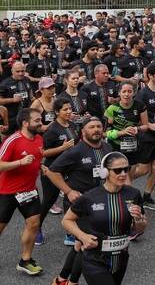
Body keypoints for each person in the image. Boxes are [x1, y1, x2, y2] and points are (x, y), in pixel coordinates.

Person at [62, 151, 148, 285]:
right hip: (94, 260)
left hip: (121, 258)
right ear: (105, 172)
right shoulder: (90, 197)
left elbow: (139, 228)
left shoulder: (134, 194)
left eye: (126, 169)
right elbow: (66, 220)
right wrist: (83, 237)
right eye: (118, 170)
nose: (124, 174)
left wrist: (139, 221)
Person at [47, 116, 112, 285]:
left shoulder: (107, 147)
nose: (96, 129)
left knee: (80, 244)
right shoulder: (75, 151)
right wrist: (68, 191)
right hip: (80, 205)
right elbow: (52, 171)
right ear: (83, 131)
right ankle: (71, 281)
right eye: (91, 127)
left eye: (99, 126)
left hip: (101, 202)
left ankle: (62, 280)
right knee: (90, 242)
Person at [0, 108, 44, 276]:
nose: (40, 123)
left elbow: (35, 159)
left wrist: (41, 166)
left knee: (33, 224)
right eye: (37, 120)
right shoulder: (13, 140)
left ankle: (25, 260)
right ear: (26, 123)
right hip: (7, 192)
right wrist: (19, 162)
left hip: (29, 191)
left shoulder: (39, 139)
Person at [36, 97, 77, 245]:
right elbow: (43, 153)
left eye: (70, 109)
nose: (68, 112)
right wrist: (62, 148)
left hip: (70, 170)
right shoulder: (52, 129)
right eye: (65, 109)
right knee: (48, 201)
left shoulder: (72, 125)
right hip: (52, 171)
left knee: (70, 199)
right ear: (57, 112)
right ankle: (37, 227)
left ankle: (70, 233)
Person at [132, 63, 155, 211]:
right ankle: (118, 181)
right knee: (143, 169)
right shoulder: (143, 94)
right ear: (150, 76)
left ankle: (147, 197)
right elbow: (137, 117)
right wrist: (149, 125)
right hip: (146, 137)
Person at [104, 82, 148, 171]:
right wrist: (122, 132)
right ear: (119, 93)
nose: (126, 94)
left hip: (133, 145)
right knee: (118, 174)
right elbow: (104, 133)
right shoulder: (112, 108)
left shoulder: (140, 106)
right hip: (115, 146)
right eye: (124, 91)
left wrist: (137, 129)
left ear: (134, 93)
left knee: (130, 174)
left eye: (129, 91)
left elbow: (146, 126)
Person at [0, 61, 33, 134]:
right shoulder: (5, 83)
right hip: (11, 117)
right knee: (9, 137)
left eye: (22, 71)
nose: (20, 73)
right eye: (18, 71)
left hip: (25, 116)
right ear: (12, 71)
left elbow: (30, 94)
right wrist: (12, 100)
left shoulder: (27, 80)